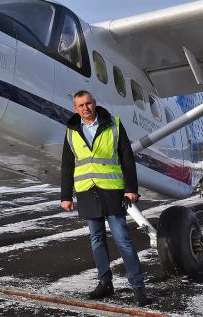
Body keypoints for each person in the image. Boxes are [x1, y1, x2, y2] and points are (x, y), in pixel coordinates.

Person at [60, 90, 151, 307]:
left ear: (94, 103)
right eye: (80, 105)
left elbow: (127, 158)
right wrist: (66, 195)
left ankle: (138, 287)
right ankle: (105, 283)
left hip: (112, 191)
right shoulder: (71, 130)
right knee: (96, 240)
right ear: (75, 108)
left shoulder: (114, 124)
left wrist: (131, 188)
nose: (85, 108)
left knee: (123, 240)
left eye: (88, 103)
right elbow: (67, 165)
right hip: (86, 192)